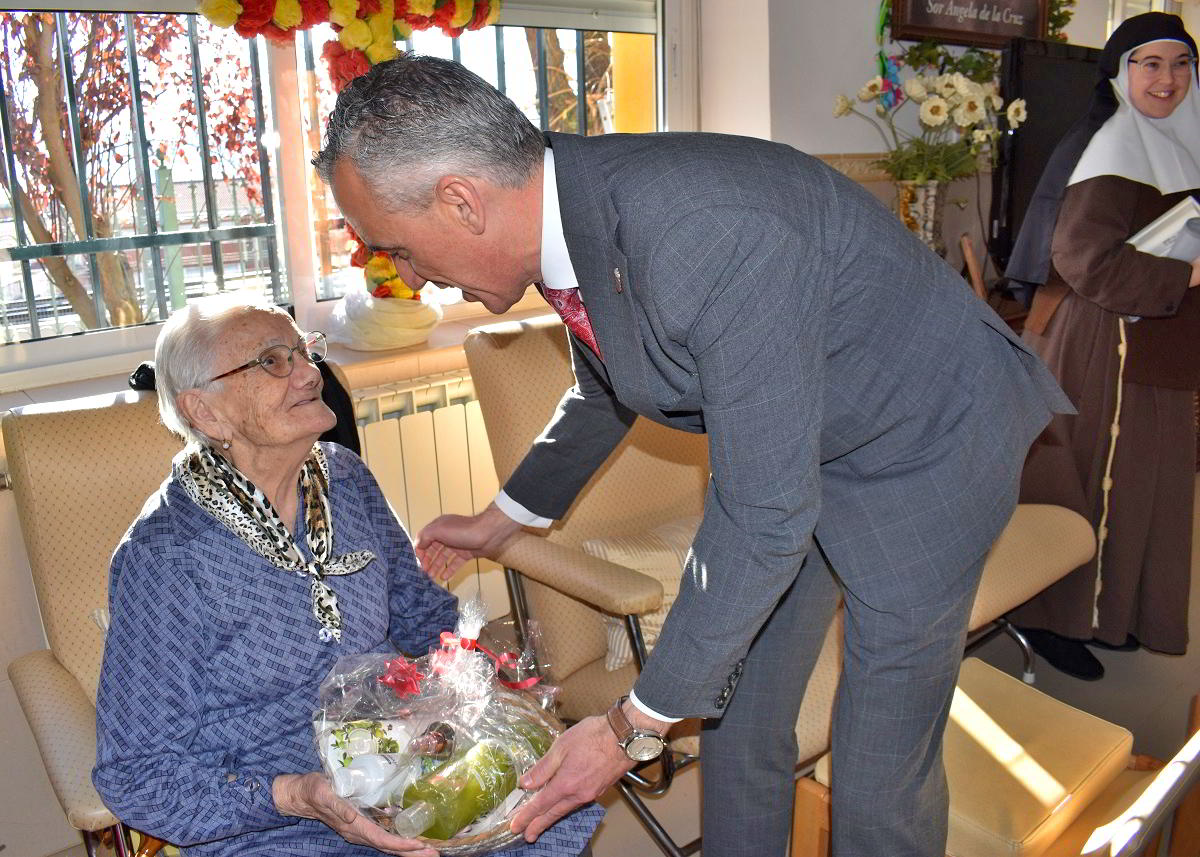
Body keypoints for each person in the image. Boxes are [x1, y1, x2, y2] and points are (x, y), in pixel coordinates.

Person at [314, 55, 1071, 857]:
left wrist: (630, 725)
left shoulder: (704, 231)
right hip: (794, 438)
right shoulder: (570, 209)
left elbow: (764, 516)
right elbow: (609, 382)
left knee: (877, 759)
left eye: (395, 247)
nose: (406, 275)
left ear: (461, 200)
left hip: (926, 440)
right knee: (740, 709)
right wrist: (501, 519)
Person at [92, 296, 603, 856]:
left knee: (543, 814)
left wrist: (477, 686)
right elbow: (138, 775)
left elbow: (420, 615)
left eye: (302, 352)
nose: (310, 374)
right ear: (206, 412)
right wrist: (296, 795)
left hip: (407, 764)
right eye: (271, 362)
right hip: (270, 814)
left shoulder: (343, 478)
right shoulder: (166, 558)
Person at [1006, 12, 1200, 681]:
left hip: (1152, 335)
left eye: (1180, 64)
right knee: (1094, 482)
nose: (1167, 79)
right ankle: (1055, 621)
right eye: (1150, 63)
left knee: (1144, 483)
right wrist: (1191, 271)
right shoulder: (1114, 146)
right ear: (1122, 74)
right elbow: (1084, 259)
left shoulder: (1174, 136)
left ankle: (1112, 613)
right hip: (1106, 343)